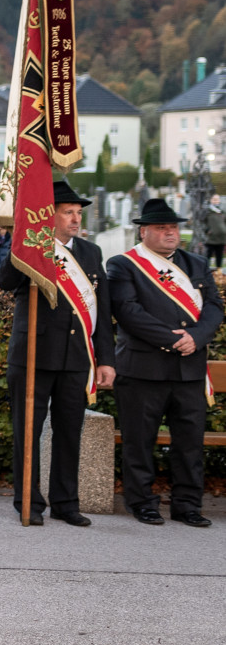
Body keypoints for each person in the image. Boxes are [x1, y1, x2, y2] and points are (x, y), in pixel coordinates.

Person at [0, 180, 114, 526]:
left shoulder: (91, 252)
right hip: (34, 353)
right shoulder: (32, 246)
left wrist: (106, 359)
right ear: (50, 216)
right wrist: (23, 244)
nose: (75, 219)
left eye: (78, 213)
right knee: (28, 431)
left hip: (76, 357)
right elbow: (4, 282)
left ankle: (66, 502)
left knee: (69, 431)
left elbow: (102, 309)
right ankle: (28, 501)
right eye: (68, 213)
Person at [107, 197, 220, 528]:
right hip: (143, 370)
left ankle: (187, 505)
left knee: (190, 443)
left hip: (189, 369)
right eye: (161, 227)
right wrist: (174, 340)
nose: (171, 232)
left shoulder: (196, 263)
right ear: (143, 232)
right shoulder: (124, 265)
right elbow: (128, 311)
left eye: (173, 227)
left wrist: (196, 337)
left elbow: (214, 306)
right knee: (139, 442)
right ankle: (141, 502)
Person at [203, 194, 226, 270]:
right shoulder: (208, 212)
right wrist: (207, 230)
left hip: (221, 238)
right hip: (211, 238)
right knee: (208, 256)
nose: (216, 201)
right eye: (214, 199)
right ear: (211, 200)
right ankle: (206, 270)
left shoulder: (222, 212)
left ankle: (218, 272)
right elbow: (202, 222)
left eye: (217, 199)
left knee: (219, 256)